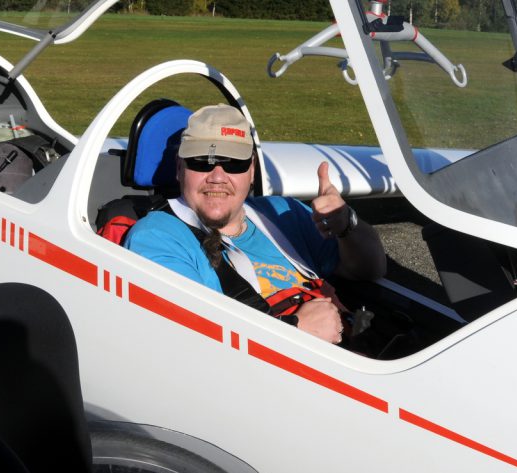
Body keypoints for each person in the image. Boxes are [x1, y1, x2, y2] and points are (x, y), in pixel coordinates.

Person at [123, 104, 387, 344]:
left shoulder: (282, 213)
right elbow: (187, 343)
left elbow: (371, 268)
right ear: (179, 168)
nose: (218, 177)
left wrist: (346, 226)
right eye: (202, 161)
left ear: (251, 171)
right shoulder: (157, 238)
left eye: (233, 164)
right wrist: (294, 329)